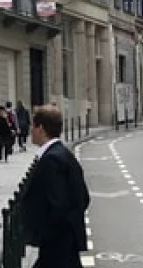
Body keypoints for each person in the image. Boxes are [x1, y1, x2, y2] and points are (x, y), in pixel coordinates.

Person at [22, 108, 91, 268]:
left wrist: (45, 234)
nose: (31, 130)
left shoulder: (51, 160)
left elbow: (58, 204)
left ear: (41, 128)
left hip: (57, 245)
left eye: (33, 126)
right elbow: (84, 197)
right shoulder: (64, 155)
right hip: (64, 244)